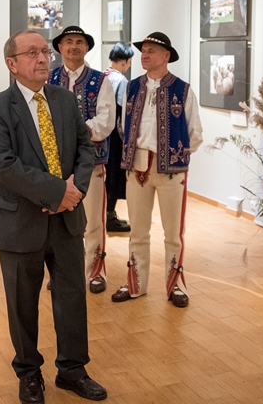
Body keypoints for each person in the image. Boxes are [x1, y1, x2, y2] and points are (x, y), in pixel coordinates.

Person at [0, 30, 107, 404]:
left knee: (72, 297)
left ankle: (72, 370)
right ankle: (28, 371)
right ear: (12, 63)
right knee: (22, 302)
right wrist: (56, 192)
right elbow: (5, 165)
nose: (42, 58)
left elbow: (85, 147)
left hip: (66, 219)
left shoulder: (65, 100)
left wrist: (74, 192)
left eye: (43, 52)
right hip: (20, 220)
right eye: (31, 52)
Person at [111, 32, 203, 309]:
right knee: (138, 231)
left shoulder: (183, 90)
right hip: (137, 168)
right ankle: (136, 284)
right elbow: (123, 126)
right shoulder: (132, 87)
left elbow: (195, 132)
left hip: (171, 171)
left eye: (151, 51)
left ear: (166, 56)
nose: (145, 55)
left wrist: (175, 155)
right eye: (143, 50)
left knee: (173, 233)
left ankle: (176, 286)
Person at [48, 26, 116, 294]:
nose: (74, 46)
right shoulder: (48, 78)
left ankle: (95, 272)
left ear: (87, 48)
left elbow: (106, 120)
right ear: (60, 47)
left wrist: (74, 132)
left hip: (91, 162)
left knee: (93, 220)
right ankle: (60, 272)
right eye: (69, 41)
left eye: (79, 42)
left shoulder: (101, 81)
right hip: (52, 163)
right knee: (57, 221)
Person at [103, 43, 133, 232]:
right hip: (115, 136)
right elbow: (122, 112)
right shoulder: (121, 80)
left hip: (101, 133)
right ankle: (109, 215)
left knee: (104, 175)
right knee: (114, 175)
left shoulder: (103, 75)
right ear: (124, 61)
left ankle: (106, 214)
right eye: (129, 62)